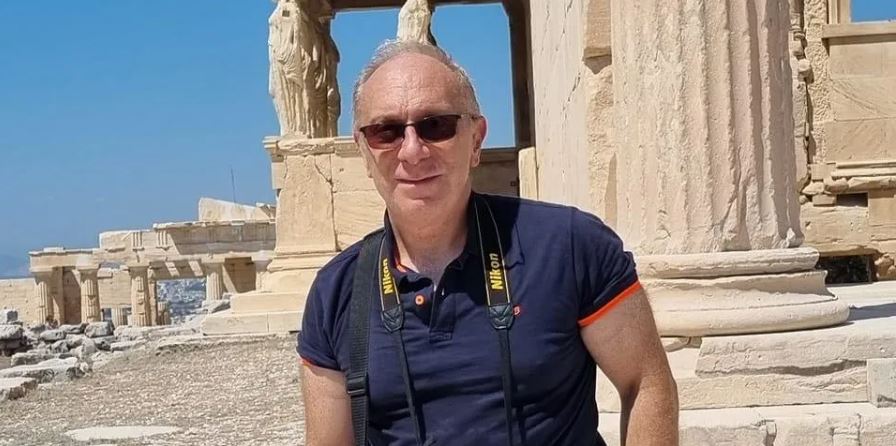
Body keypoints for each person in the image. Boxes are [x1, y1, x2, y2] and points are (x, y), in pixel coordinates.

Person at [298, 40, 679, 446]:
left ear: (476, 140)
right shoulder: (336, 293)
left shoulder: (569, 247)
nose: (412, 151)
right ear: (363, 150)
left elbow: (646, 382)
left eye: (436, 125)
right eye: (385, 131)